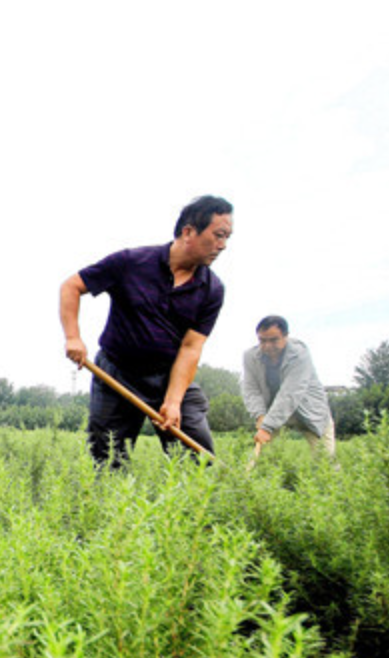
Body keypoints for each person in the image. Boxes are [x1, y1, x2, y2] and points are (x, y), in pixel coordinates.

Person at [59, 196, 233, 468]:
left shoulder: (212, 289)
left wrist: (173, 401)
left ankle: (192, 508)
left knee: (196, 459)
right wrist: (73, 336)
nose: (223, 246)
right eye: (218, 235)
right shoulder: (132, 262)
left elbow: (191, 348)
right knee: (107, 460)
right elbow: (72, 286)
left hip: (169, 378)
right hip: (116, 373)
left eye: (227, 238)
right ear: (188, 231)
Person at [239, 315, 337, 460]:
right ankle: (251, 479)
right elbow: (250, 388)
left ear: (286, 336)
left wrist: (266, 427)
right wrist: (260, 415)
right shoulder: (250, 356)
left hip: (309, 409)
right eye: (262, 340)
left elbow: (290, 393)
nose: (267, 346)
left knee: (325, 460)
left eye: (273, 340)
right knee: (262, 457)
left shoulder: (299, 354)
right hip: (273, 410)